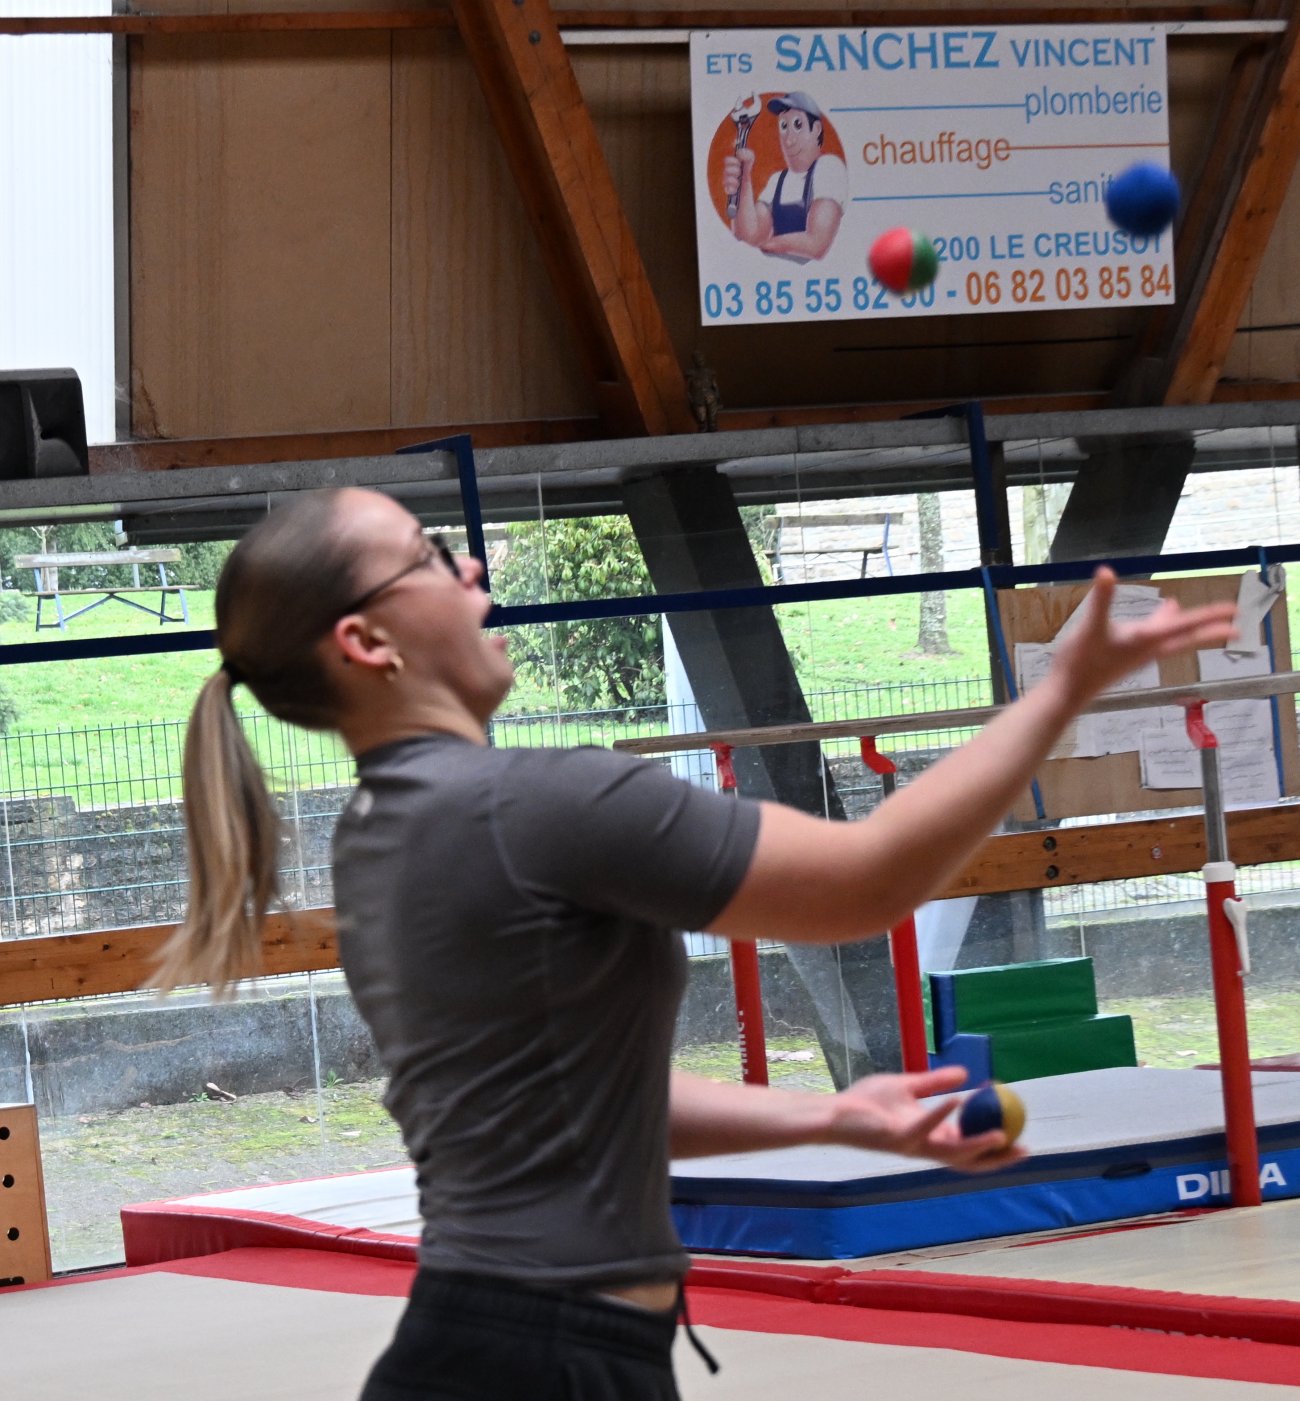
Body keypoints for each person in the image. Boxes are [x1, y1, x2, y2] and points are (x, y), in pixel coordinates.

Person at [156, 487, 1236, 1400]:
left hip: (507, 1345)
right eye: (431, 554)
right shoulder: (533, 806)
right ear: (367, 641)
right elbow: (866, 880)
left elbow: (580, 1099)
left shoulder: (380, 833)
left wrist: (832, 1117)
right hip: (541, 1360)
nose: (472, 564)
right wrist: (1057, 693)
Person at [723, 92, 847, 263]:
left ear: (816, 129)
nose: (789, 140)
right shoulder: (777, 181)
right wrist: (744, 180)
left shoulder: (829, 167)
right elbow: (750, 235)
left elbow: (817, 244)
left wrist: (767, 245)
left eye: (798, 125)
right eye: (783, 126)